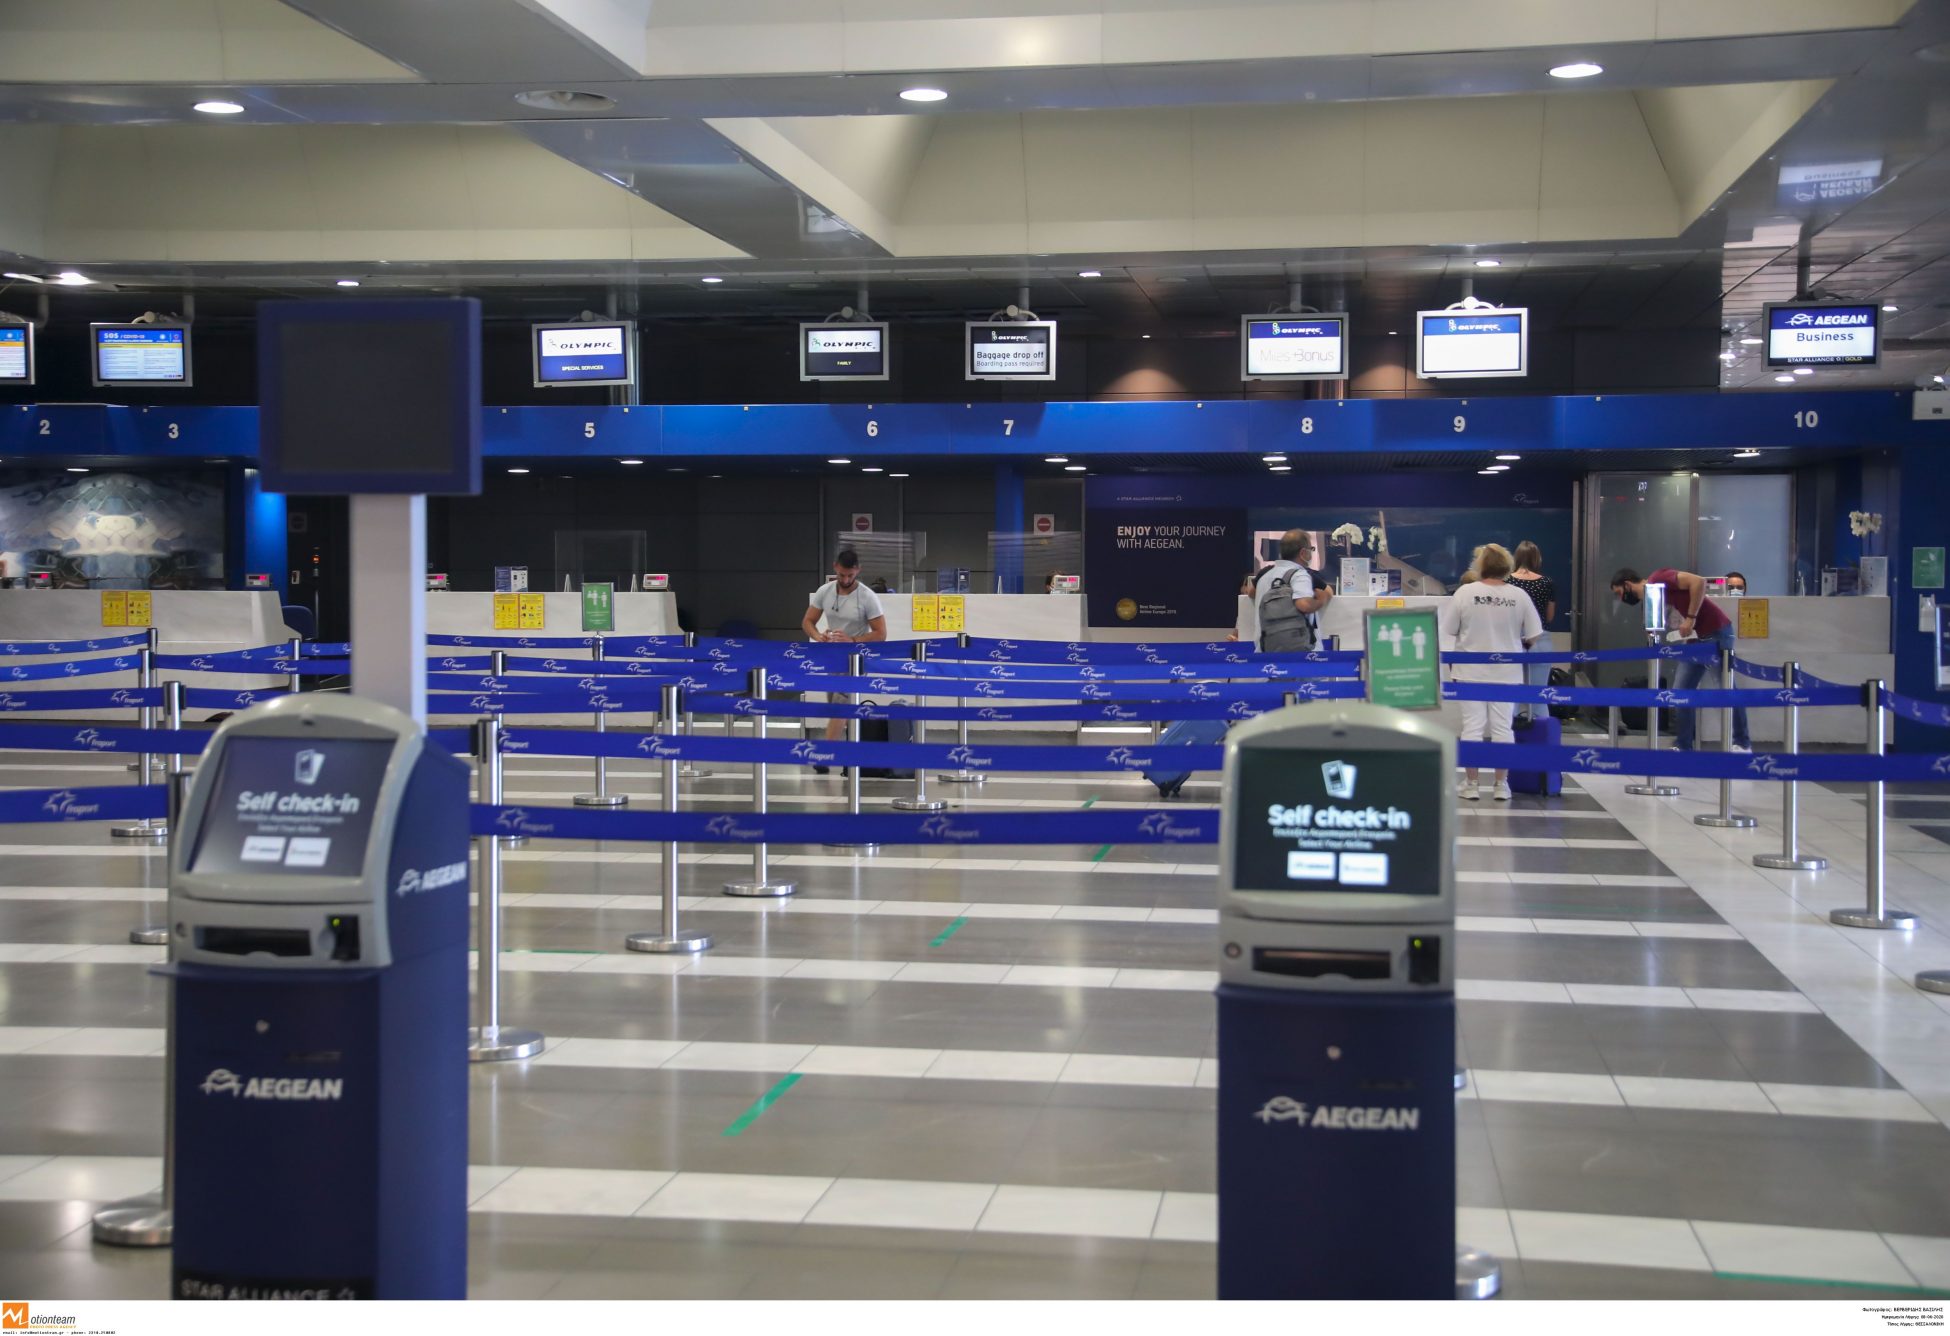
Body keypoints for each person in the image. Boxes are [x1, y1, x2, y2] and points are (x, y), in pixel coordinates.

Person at [1609, 566, 1750, 753]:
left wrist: (1690, 618)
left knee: (1725, 687)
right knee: (1680, 691)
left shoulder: (1658, 577)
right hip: (1695, 638)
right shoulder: (1653, 594)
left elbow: (1698, 582)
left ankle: (1742, 743)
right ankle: (1683, 745)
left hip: (1716, 632)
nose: (1621, 598)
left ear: (1627, 584)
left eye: (1619, 593)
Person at [1441, 543, 1543, 801]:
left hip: (1469, 672)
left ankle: (1471, 783)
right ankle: (1501, 784)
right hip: (1507, 673)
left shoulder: (1465, 593)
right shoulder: (1519, 595)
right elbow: (1534, 634)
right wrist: (1519, 643)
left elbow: (1450, 629)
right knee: (1503, 728)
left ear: (1480, 565)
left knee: (1472, 727)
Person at [801, 549, 888, 757]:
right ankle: (851, 751)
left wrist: (853, 640)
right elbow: (807, 621)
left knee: (840, 708)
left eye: (850, 575)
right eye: (842, 575)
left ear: (858, 570)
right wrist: (818, 635)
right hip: (832, 658)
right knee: (838, 709)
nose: (846, 580)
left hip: (855, 660)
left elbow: (881, 633)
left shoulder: (867, 597)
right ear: (835, 568)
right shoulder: (824, 591)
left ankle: (825, 755)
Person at [1254, 531, 1333, 652]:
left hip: (1266, 650)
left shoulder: (1264, 577)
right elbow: (1304, 605)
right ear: (1303, 553)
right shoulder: (1300, 575)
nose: (1311, 553)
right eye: (1311, 549)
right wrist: (1320, 600)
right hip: (1299, 653)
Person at [1508, 541, 1557, 724]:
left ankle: (1509, 735)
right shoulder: (1546, 582)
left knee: (1511, 695)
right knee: (1539, 695)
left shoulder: (1508, 581)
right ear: (1537, 558)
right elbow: (1549, 616)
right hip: (1540, 639)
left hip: (1512, 639)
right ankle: (1543, 736)